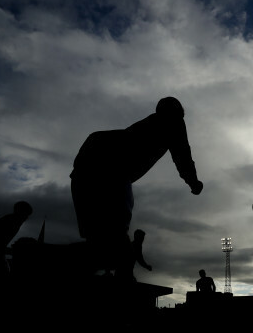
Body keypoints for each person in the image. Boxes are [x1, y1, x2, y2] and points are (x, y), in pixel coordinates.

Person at [70, 97, 203, 276]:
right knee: (115, 239)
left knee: (99, 238)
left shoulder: (146, 125)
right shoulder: (174, 122)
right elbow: (182, 156)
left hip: (86, 167)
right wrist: (193, 182)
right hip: (109, 169)